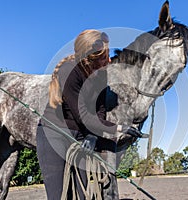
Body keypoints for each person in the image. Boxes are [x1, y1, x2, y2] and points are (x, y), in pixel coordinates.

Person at [36, 29, 144, 200]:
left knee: (84, 193)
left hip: (80, 135)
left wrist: (93, 136)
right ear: (88, 60)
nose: (109, 60)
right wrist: (120, 128)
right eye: (103, 58)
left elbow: (99, 111)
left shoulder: (102, 74)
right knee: (58, 195)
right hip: (54, 133)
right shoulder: (69, 71)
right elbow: (84, 116)